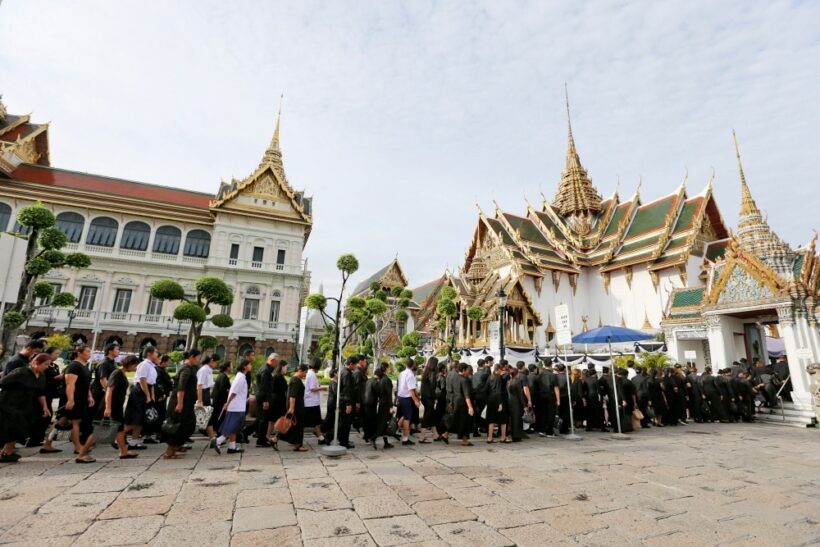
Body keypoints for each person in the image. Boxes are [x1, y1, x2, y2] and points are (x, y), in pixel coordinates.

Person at [0, 353, 53, 462]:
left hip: (25, 405)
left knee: (21, 429)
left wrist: (45, 407)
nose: (47, 367)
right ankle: (6, 452)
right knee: (12, 428)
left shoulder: (42, 376)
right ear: (35, 363)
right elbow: (3, 382)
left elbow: (40, 392)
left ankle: (7, 452)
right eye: (45, 364)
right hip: (9, 404)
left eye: (49, 364)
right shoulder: (21, 372)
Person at [162, 349, 200, 459]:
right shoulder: (186, 369)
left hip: (186, 401)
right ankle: (169, 452)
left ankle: (175, 447)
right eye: (197, 357)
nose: (198, 360)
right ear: (192, 357)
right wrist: (179, 403)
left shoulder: (190, 368)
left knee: (188, 424)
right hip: (181, 402)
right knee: (177, 425)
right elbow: (181, 387)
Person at [103, 355, 139, 459]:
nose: (135, 368)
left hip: (117, 405)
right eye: (135, 365)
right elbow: (109, 390)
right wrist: (108, 407)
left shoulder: (122, 374)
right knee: (100, 428)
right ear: (130, 364)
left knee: (120, 429)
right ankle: (82, 452)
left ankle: (123, 451)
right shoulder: (117, 373)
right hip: (112, 405)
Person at [64, 345, 96, 463]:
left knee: (63, 421)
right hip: (75, 398)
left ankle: (48, 442)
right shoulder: (74, 366)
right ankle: (77, 446)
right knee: (75, 422)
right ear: (79, 353)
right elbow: (70, 384)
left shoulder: (85, 366)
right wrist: (70, 399)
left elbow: (86, 383)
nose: (89, 353)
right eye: (87, 351)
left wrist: (89, 396)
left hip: (82, 398)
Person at [214, 359, 252, 454]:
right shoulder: (241, 378)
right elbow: (233, 392)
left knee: (234, 427)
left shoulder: (241, 376)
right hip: (236, 407)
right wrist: (228, 403)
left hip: (238, 405)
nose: (251, 366)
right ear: (244, 367)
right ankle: (218, 441)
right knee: (232, 426)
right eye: (249, 364)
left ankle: (232, 447)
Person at [124, 347, 159, 450]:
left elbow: (152, 383)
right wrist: (147, 395)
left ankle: (134, 442)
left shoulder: (152, 366)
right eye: (156, 352)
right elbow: (142, 380)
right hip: (140, 391)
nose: (157, 354)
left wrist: (152, 395)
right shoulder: (144, 364)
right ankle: (118, 436)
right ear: (149, 353)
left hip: (147, 390)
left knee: (141, 418)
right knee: (135, 417)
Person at [36, 346, 64, 453]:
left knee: (47, 416)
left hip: (51, 393)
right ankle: (36, 438)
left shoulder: (55, 366)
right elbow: (48, 378)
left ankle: (40, 437)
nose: (57, 356)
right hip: (44, 393)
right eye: (56, 353)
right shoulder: (45, 367)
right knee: (44, 415)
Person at [281, 363, 308, 452]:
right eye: (305, 372)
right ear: (300, 371)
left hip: (295, 406)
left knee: (291, 424)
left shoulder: (294, 379)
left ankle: (276, 439)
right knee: (297, 425)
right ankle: (298, 445)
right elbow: (293, 395)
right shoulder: (296, 380)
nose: (305, 374)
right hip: (296, 407)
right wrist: (292, 408)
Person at [255, 353, 278, 447]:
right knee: (263, 420)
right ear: (272, 360)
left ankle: (262, 438)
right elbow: (263, 386)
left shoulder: (266, 368)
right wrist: (265, 400)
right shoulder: (266, 370)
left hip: (264, 397)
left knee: (263, 419)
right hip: (264, 398)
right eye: (276, 362)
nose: (276, 365)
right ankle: (261, 441)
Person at [91, 343, 119, 418]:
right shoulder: (104, 363)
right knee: (95, 414)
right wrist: (109, 393)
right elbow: (103, 379)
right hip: (99, 392)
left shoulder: (113, 363)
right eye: (117, 349)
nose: (118, 351)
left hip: (105, 392)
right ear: (110, 351)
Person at [396, 358, 419, 446]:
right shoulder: (410, 375)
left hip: (401, 396)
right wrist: (416, 401)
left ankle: (395, 429)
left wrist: (398, 397)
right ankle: (405, 438)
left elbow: (399, 386)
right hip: (406, 398)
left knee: (403, 415)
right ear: (413, 365)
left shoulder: (401, 373)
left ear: (406, 365)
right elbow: (411, 390)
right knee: (407, 418)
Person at [268, 359, 289, 449]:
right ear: (282, 367)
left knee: (273, 419)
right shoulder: (279, 376)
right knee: (282, 419)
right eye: (286, 367)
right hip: (278, 400)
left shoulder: (276, 375)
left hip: (275, 399)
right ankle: (274, 437)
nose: (286, 369)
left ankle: (269, 436)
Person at [337, 357, 357, 449]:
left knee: (344, 422)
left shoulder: (344, 371)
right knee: (346, 423)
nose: (356, 366)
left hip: (343, 400)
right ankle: (344, 442)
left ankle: (344, 440)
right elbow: (346, 390)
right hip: (345, 401)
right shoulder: (347, 374)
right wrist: (348, 404)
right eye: (355, 364)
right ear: (351, 364)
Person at [304, 359, 325, 445]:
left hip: (312, 401)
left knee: (317, 421)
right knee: (315, 421)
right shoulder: (312, 374)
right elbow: (312, 388)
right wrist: (323, 388)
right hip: (311, 402)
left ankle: (320, 437)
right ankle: (320, 436)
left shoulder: (310, 373)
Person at [453, 363, 475, 446]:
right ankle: (465, 440)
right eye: (466, 370)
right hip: (463, 403)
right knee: (465, 422)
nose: (467, 371)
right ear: (463, 370)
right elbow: (466, 395)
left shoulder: (455, 377)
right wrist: (470, 407)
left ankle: (446, 434)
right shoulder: (464, 380)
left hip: (456, 401)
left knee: (458, 421)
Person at [208, 361, 232, 437]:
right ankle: (218, 434)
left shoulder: (221, 375)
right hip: (219, 401)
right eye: (231, 366)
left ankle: (217, 433)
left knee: (216, 417)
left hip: (217, 400)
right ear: (227, 368)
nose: (232, 368)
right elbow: (222, 390)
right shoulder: (224, 377)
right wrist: (229, 390)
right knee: (219, 417)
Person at [418, 357, 439, 443]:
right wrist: (435, 398)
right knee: (427, 417)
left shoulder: (425, 372)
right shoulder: (432, 373)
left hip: (424, 397)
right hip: (429, 398)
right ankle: (421, 437)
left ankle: (435, 435)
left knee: (432, 415)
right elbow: (432, 387)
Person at [486, 363, 508, 443]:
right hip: (498, 399)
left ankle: (490, 438)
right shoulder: (498, 378)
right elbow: (498, 391)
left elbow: (486, 389)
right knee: (503, 419)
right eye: (501, 370)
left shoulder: (490, 377)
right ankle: (503, 437)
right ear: (498, 370)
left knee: (491, 419)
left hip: (490, 399)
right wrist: (500, 404)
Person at [537, 361, 560, 437]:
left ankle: (542, 430)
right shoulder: (552, 375)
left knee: (543, 413)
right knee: (551, 413)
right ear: (551, 365)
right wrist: (558, 399)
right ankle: (549, 431)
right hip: (550, 395)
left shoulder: (540, 375)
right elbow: (556, 388)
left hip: (541, 395)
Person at [471, 359, 490, 437]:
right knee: (485, 413)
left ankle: (475, 429)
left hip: (475, 396)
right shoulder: (486, 374)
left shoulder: (474, 374)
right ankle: (486, 428)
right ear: (484, 364)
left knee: (477, 413)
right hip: (484, 396)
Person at [583, 366, 605, 431]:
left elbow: (584, 389)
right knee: (598, 412)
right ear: (594, 374)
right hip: (595, 397)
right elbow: (599, 390)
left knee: (589, 412)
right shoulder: (596, 380)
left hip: (588, 397)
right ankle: (601, 426)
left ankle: (589, 426)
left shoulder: (586, 380)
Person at [554, 364, 571, 434]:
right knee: (566, 413)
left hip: (557, 397)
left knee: (559, 412)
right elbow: (570, 388)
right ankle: (565, 428)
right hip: (565, 396)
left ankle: (559, 427)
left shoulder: (555, 377)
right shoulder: (567, 377)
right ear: (564, 369)